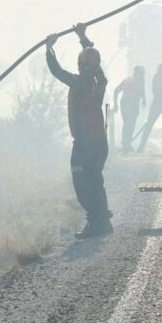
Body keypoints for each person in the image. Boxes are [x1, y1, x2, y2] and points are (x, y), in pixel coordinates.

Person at [45, 23, 112, 239]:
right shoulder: (100, 82)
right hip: (100, 143)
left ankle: (96, 222)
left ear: (80, 64)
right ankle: (103, 222)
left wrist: (49, 48)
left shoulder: (77, 82)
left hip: (85, 145)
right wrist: (83, 38)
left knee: (83, 185)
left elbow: (56, 70)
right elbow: (94, 61)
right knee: (95, 181)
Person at [137, 62, 162, 155]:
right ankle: (141, 146)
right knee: (149, 125)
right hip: (158, 103)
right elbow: (155, 90)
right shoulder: (157, 77)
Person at [113, 66, 145, 154]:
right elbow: (116, 91)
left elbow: (116, 91)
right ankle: (125, 144)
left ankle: (126, 143)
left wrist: (144, 99)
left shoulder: (130, 80)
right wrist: (115, 104)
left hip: (126, 103)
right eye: (141, 74)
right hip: (129, 104)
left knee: (128, 124)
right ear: (138, 73)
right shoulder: (134, 81)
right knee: (129, 124)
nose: (142, 76)